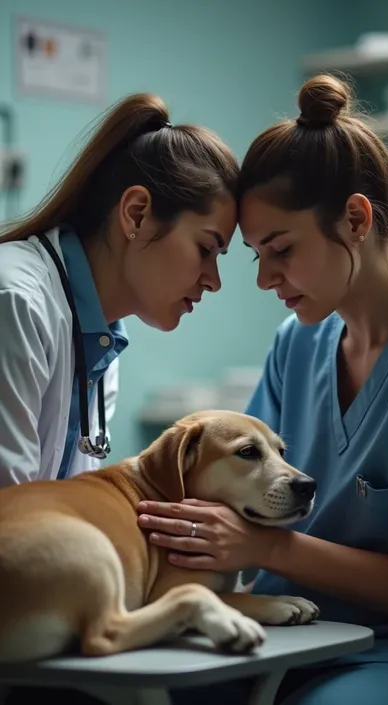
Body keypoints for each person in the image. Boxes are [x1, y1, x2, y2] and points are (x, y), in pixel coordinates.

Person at [138, 74, 388, 705]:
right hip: (284, 626)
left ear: (354, 219)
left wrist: (268, 546)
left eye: (281, 249)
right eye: (256, 255)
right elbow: (237, 494)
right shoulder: (298, 343)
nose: (266, 278)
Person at [0, 92, 238, 704]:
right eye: (207, 248)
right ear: (136, 214)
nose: (213, 279)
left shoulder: (103, 340)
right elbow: (14, 524)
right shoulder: (17, 302)